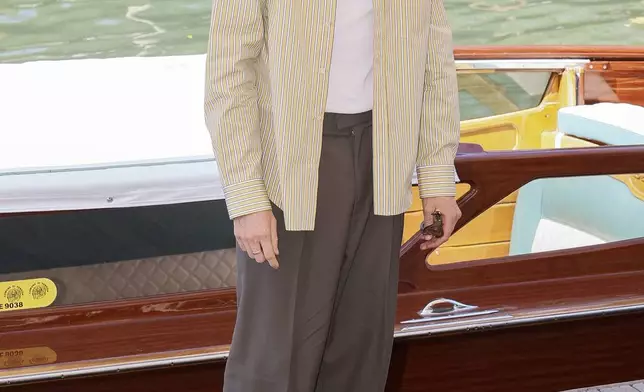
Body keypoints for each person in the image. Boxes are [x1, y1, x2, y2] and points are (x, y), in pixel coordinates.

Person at [204, 0, 461, 390]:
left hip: (385, 158)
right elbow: (228, 75)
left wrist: (437, 177)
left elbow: (434, 59)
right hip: (289, 169)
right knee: (274, 361)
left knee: (361, 353)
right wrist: (246, 196)